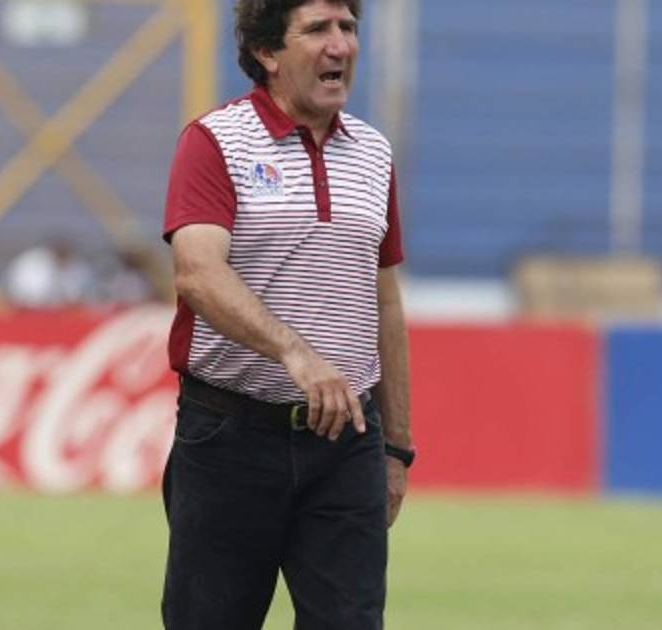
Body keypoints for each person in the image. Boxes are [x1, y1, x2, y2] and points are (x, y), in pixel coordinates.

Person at [159, 1, 414, 628]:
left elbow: (384, 301)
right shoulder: (214, 140)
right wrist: (295, 353)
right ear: (267, 52)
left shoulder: (374, 154)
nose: (340, 46)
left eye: (348, 28)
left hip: (348, 444)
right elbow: (197, 272)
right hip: (230, 437)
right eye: (318, 30)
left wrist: (397, 448)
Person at [1, 236, 94, 310]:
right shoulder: (32, 263)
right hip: (28, 308)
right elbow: (31, 296)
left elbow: (79, 296)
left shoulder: (78, 267)